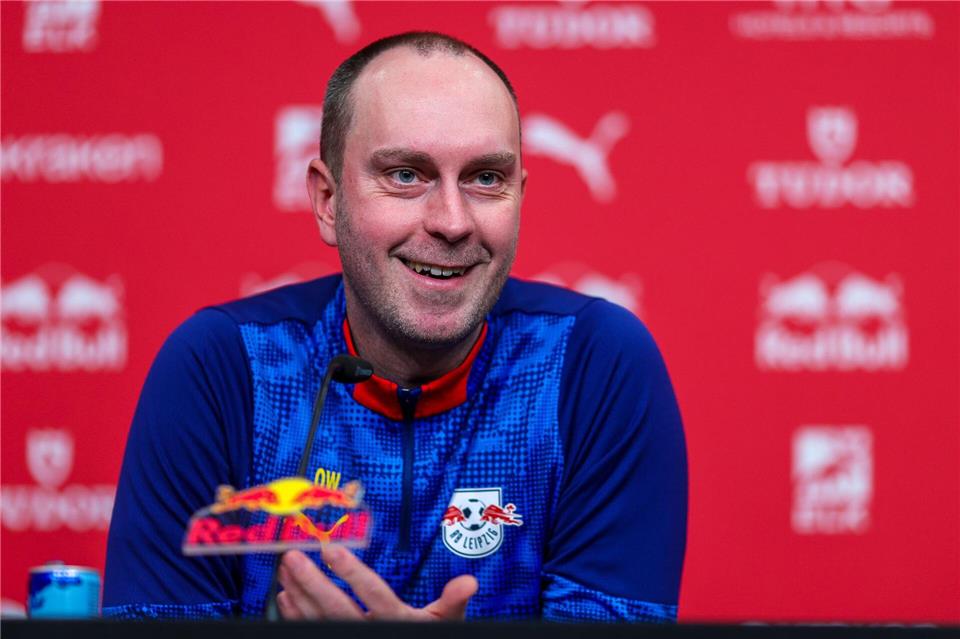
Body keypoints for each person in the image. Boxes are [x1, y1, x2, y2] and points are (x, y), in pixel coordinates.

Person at [103, 31, 687, 622]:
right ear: (328, 201)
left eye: (486, 178)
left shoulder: (592, 365)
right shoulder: (225, 368)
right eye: (407, 175)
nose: (453, 222)